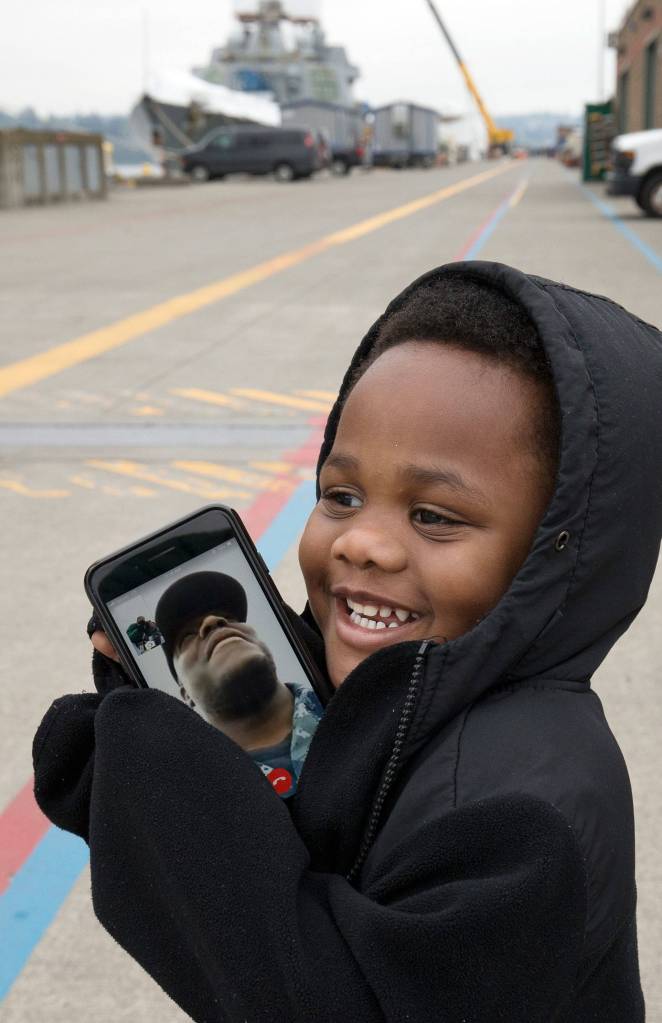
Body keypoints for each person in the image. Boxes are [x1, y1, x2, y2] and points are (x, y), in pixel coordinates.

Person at [33, 261, 661, 1022]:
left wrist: (167, 783)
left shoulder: (523, 814)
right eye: (341, 494)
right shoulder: (404, 710)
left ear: (559, 553)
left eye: (434, 515)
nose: (362, 541)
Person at [153, 571, 324, 798]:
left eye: (230, 618)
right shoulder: (188, 797)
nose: (213, 621)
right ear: (186, 695)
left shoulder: (353, 695)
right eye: (187, 636)